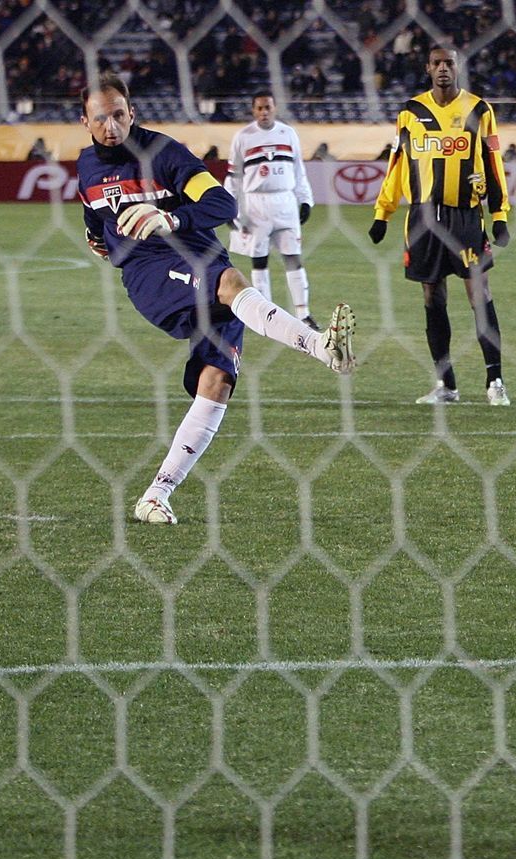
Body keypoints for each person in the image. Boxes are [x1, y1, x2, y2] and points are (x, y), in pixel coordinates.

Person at [77, 73, 355, 526]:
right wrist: (96, 236)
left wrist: (169, 217)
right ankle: (322, 348)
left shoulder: (164, 154)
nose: (112, 126)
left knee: (216, 382)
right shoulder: (87, 165)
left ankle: (156, 494)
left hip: (200, 253)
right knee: (230, 281)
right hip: (150, 271)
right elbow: (93, 210)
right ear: (85, 121)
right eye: (101, 118)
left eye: (120, 115)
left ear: (133, 113)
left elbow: (223, 207)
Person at [369, 46, 513, 406]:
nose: (444, 69)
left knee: (479, 294)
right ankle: (446, 385)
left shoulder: (480, 109)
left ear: (458, 67)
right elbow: (397, 164)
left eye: (450, 62)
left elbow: (494, 162)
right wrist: (382, 212)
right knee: (432, 298)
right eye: (438, 63)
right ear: (428, 68)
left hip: (465, 217)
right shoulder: (410, 112)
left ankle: (495, 381)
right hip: (423, 219)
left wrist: (500, 214)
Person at [227, 91, 317, 328]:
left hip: (285, 202)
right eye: (259, 108)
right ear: (253, 110)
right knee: (259, 260)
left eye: (267, 107)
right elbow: (233, 176)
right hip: (256, 203)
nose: (264, 112)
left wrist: (305, 200)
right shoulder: (243, 137)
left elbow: (299, 170)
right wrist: (231, 207)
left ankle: (303, 314)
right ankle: (265, 315)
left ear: (275, 108)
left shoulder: (288, 134)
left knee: (293, 258)